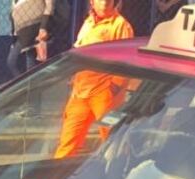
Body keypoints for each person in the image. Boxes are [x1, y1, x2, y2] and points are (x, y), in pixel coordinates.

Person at [53, 0, 134, 159]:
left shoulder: (121, 25)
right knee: (67, 142)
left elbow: (127, 62)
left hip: (104, 93)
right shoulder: (88, 23)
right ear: (92, 2)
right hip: (80, 94)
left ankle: (117, 173)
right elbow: (79, 51)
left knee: (113, 141)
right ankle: (55, 177)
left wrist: (113, 88)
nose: (105, 3)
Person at [8, 0, 61, 76]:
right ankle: (29, 84)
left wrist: (43, 27)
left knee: (13, 61)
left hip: (35, 26)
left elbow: (49, 5)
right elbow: (13, 14)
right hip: (22, 31)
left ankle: (28, 84)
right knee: (28, 61)